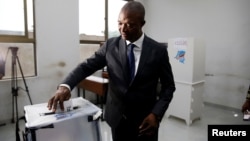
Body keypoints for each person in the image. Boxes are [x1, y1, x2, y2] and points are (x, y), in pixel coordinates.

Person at [47, 1, 175, 141]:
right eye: (119, 23)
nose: (123, 29)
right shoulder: (110, 46)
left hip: (145, 121)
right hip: (117, 120)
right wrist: (65, 86)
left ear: (142, 23)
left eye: (130, 25)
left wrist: (155, 114)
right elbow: (86, 66)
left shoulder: (158, 51)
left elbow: (168, 87)